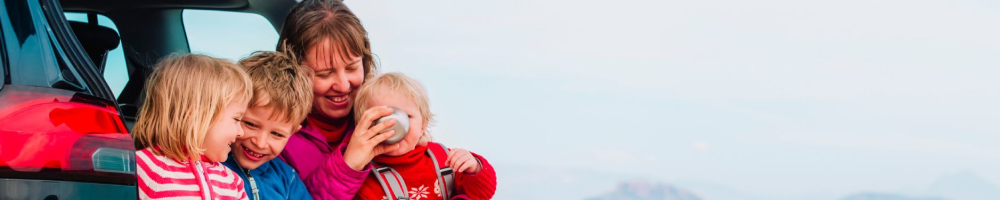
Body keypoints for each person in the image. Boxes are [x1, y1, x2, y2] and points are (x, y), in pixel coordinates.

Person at [276, 0, 402, 199]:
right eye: (325, 74)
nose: (343, 86)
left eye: (352, 68)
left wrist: (469, 168)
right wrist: (347, 165)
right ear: (293, 71)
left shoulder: (385, 119)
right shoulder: (272, 139)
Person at [351, 73, 496, 200]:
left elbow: (483, 193)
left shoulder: (443, 159)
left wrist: (474, 168)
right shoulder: (364, 176)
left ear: (423, 126)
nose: (393, 125)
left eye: (406, 117)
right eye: (383, 118)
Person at [132, 54, 251, 200]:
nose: (241, 132)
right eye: (236, 119)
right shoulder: (144, 167)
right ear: (196, 114)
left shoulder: (232, 182)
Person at [221, 51, 315, 200]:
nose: (260, 142)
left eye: (277, 134)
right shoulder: (209, 166)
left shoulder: (288, 179)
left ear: (292, 133)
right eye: (251, 124)